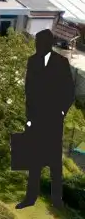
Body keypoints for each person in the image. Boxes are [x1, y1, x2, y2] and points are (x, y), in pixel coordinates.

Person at [19, 29, 76, 208]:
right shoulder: (32, 61)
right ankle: (30, 198)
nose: (36, 45)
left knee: (54, 162)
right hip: (36, 119)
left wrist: (61, 112)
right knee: (34, 161)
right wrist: (29, 117)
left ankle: (56, 200)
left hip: (53, 120)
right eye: (36, 42)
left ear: (47, 44)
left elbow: (69, 91)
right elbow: (29, 90)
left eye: (39, 42)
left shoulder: (61, 62)